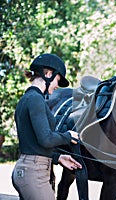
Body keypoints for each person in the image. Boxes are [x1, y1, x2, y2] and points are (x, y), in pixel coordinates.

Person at [11, 53, 82, 200]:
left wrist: (58, 158)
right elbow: (46, 139)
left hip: (29, 170)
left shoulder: (27, 99)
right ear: (48, 74)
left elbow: (33, 143)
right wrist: (68, 136)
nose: (57, 86)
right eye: (57, 80)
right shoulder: (36, 100)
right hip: (34, 174)